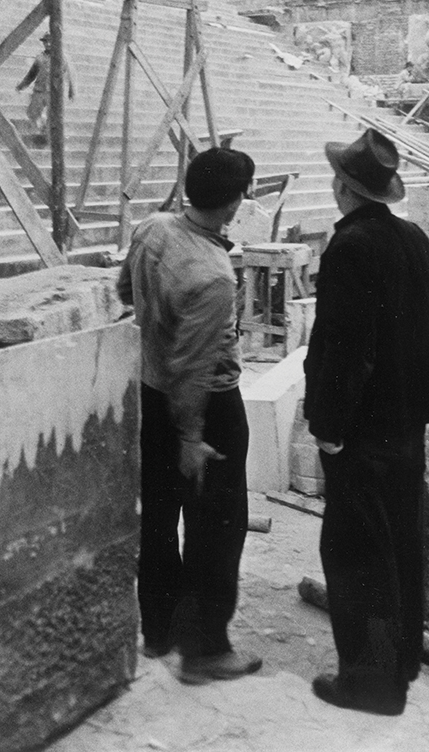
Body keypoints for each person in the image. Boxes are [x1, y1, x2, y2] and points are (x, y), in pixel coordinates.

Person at [303, 129, 429, 716]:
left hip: (362, 424)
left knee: (356, 547)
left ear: (344, 188)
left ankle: (370, 684)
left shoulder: (350, 247)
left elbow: (347, 349)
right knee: (399, 539)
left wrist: (329, 425)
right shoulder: (412, 238)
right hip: (406, 419)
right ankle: (402, 662)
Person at [117, 147, 263, 685]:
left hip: (149, 395)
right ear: (234, 204)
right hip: (204, 412)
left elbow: (122, 290)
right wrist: (193, 437)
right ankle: (204, 651)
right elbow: (194, 367)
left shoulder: (152, 228)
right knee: (216, 532)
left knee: (157, 520)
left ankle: (159, 632)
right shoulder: (214, 275)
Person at [15, 32, 76, 141]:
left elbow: (70, 74)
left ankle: (47, 137)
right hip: (39, 91)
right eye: (45, 42)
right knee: (32, 113)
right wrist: (21, 85)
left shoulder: (62, 57)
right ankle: (42, 125)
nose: (48, 44)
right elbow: (31, 74)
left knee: (53, 117)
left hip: (54, 93)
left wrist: (72, 90)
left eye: (50, 42)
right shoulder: (40, 58)